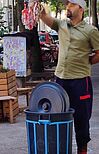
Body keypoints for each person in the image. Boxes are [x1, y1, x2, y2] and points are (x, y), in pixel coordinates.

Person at [40, 0, 99, 153]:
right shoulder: (61, 25)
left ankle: (82, 149)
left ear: (81, 9)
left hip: (80, 81)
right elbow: (44, 17)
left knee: (81, 119)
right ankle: (59, 148)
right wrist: (37, 7)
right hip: (60, 80)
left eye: (72, 5)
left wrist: (88, 61)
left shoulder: (90, 31)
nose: (68, 7)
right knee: (57, 116)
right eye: (67, 5)